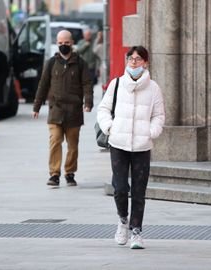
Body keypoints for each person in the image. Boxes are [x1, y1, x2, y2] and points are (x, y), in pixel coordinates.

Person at [97, 46, 165, 249]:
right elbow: (103, 109)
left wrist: (151, 132)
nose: (134, 62)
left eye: (138, 59)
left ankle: (137, 231)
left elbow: (159, 115)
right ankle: (122, 221)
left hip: (142, 146)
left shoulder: (153, 88)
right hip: (118, 143)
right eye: (130, 59)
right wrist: (110, 127)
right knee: (119, 188)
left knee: (138, 190)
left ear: (145, 62)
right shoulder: (116, 84)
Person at [33, 30, 93, 187]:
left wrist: (88, 103)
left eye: (66, 43)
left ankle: (70, 172)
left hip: (74, 111)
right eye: (60, 43)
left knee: (73, 145)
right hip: (56, 110)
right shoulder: (51, 63)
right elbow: (43, 84)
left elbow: (87, 84)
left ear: (72, 43)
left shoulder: (81, 63)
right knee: (55, 140)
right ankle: (54, 174)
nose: (63, 46)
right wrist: (36, 106)